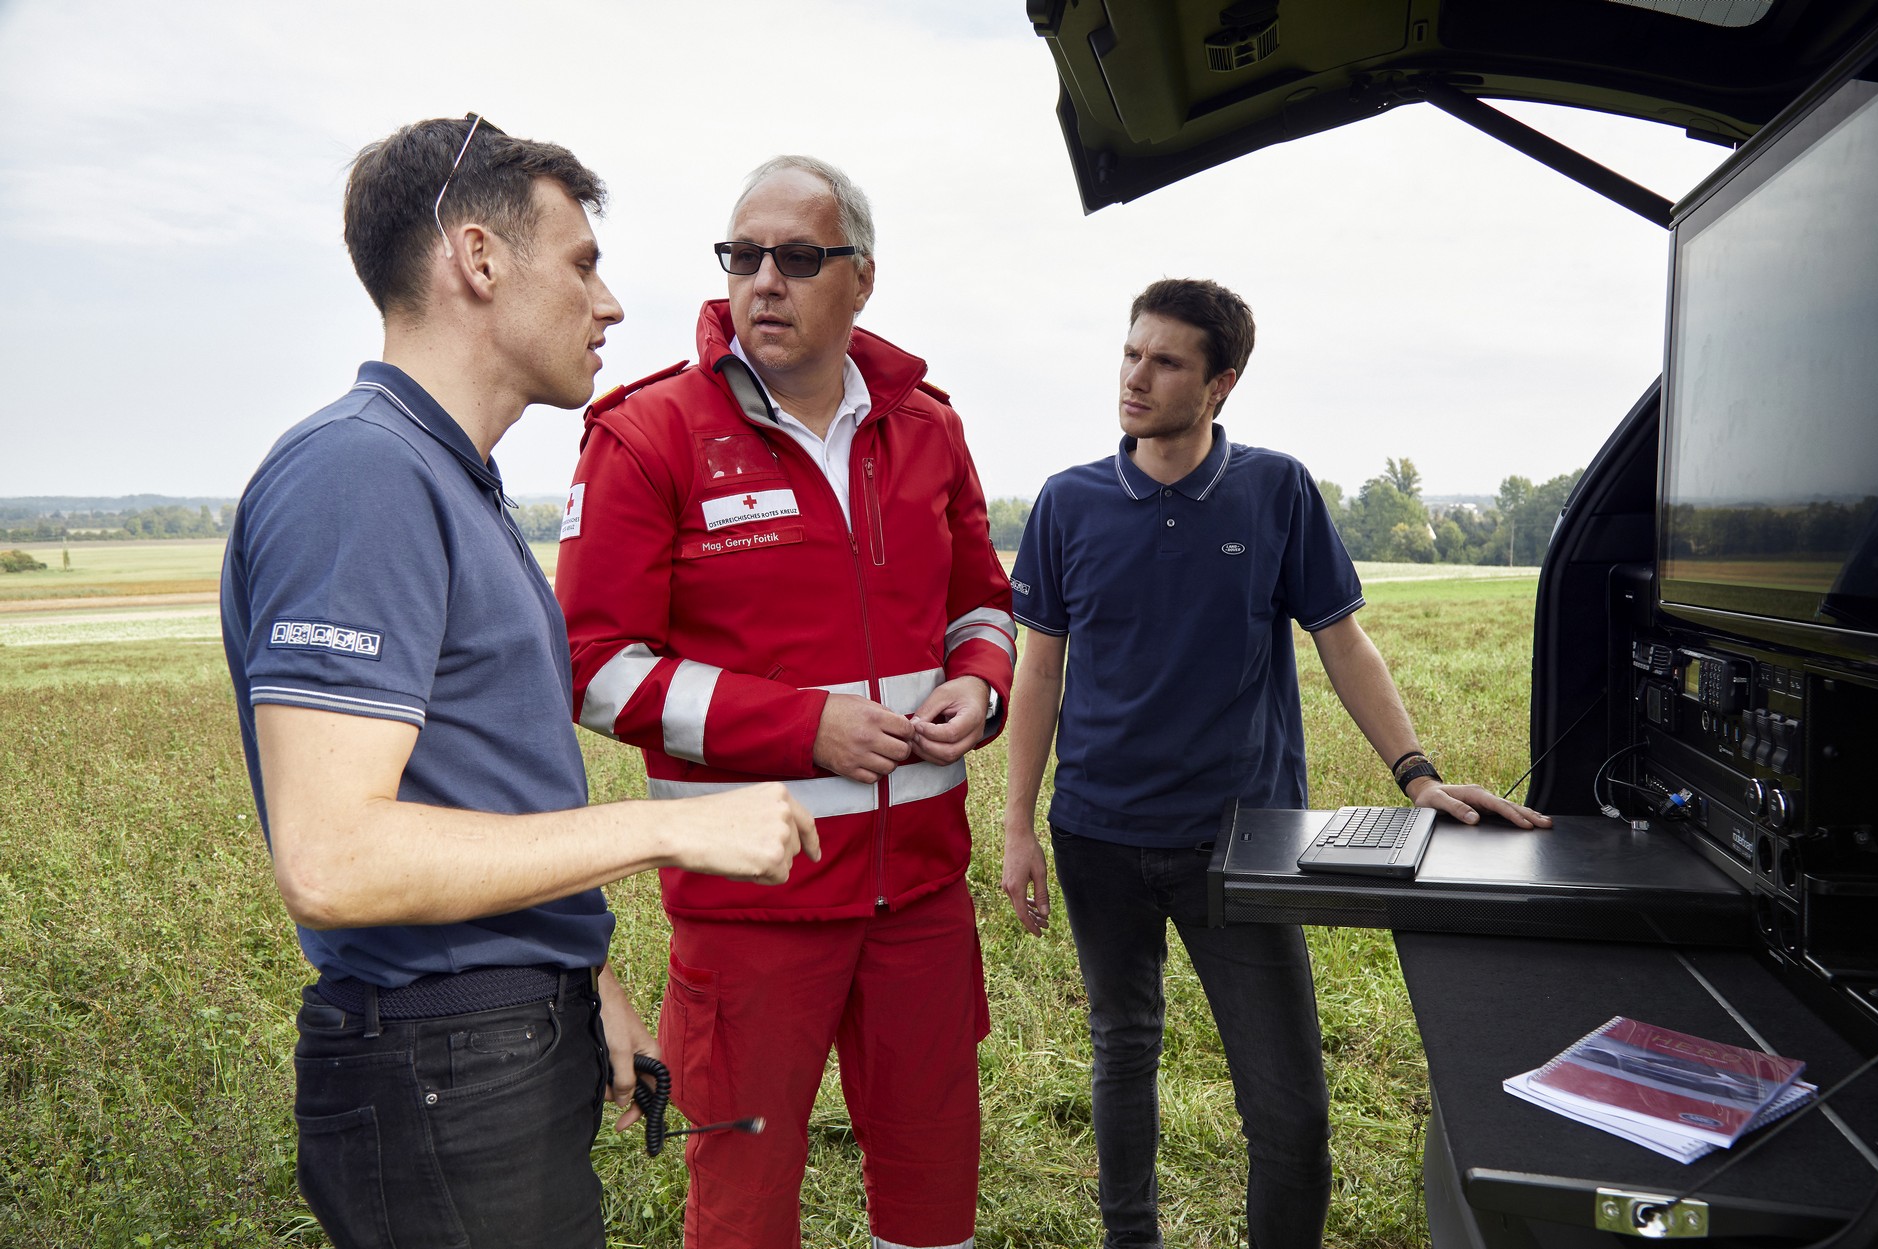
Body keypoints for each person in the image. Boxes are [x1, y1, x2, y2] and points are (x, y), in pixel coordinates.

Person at [219, 115, 818, 1249]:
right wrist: (666, 832)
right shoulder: (362, 474)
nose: (613, 304)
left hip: (495, 1043)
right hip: (439, 1064)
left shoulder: (457, 483)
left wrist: (583, 974)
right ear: (479, 259)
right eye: (583, 262)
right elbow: (333, 858)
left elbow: (484, 786)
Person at [997, 278, 1549, 1249]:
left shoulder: (1276, 488)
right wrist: (1017, 825)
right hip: (1097, 834)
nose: (1136, 375)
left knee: (1290, 1109)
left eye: (1166, 361)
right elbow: (1039, 668)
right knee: (1123, 1048)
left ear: (1221, 384)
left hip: (1242, 846)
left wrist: (1416, 771)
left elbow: (1344, 641)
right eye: (1132, 352)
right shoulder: (1069, 501)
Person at [555, 155, 1016, 1249]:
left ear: (860, 279)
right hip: (751, 907)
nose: (762, 279)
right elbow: (591, 666)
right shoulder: (649, 433)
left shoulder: (928, 427)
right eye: (742, 255)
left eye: (798, 258)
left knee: (935, 1169)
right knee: (745, 1196)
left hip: (920, 894)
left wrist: (980, 685)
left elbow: (985, 607)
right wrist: (803, 725)